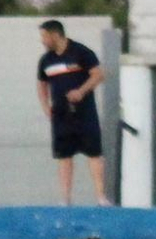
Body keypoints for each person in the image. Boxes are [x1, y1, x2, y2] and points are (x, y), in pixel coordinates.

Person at [36, 19, 109, 206]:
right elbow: (42, 84)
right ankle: (66, 200)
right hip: (60, 115)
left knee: (94, 153)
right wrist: (46, 106)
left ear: (55, 34)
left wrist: (81, 91)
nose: (42, 41)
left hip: (84, 112)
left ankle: (101, 197)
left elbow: (98, 75)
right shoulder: (46, 60)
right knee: (64, 156)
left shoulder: (81, 52)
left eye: (44, 36)